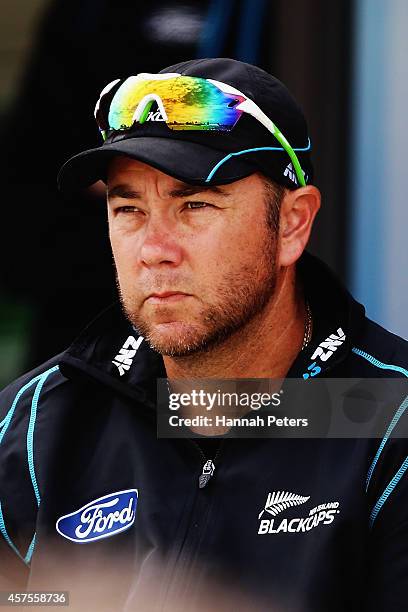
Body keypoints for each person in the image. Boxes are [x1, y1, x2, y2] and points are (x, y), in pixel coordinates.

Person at [0, 58, 407, 612]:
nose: (153, 249)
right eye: (128, 208)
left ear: (292, 224)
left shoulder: (390, 424)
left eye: (194, 205)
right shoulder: (33, 427)